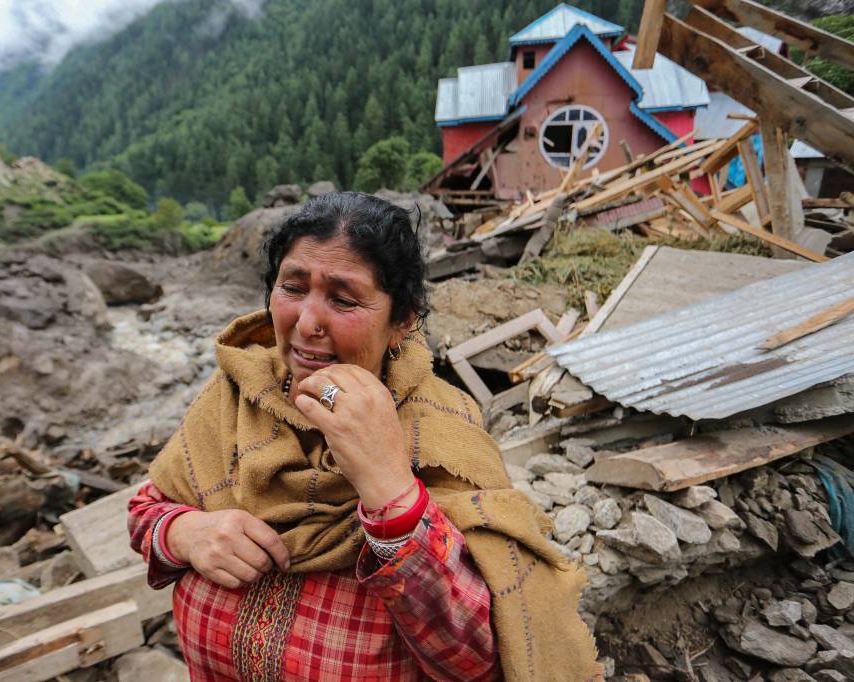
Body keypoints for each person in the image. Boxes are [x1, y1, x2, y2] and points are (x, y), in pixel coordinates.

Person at [128, 192, 602, 681]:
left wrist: (389, 488)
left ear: (402, 321)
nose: (307, 322)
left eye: (343, 299)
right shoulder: (234, 394)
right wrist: (185, 533)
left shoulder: (440, 432)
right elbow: (146, 512)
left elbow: (477, 660)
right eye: (293, 288)